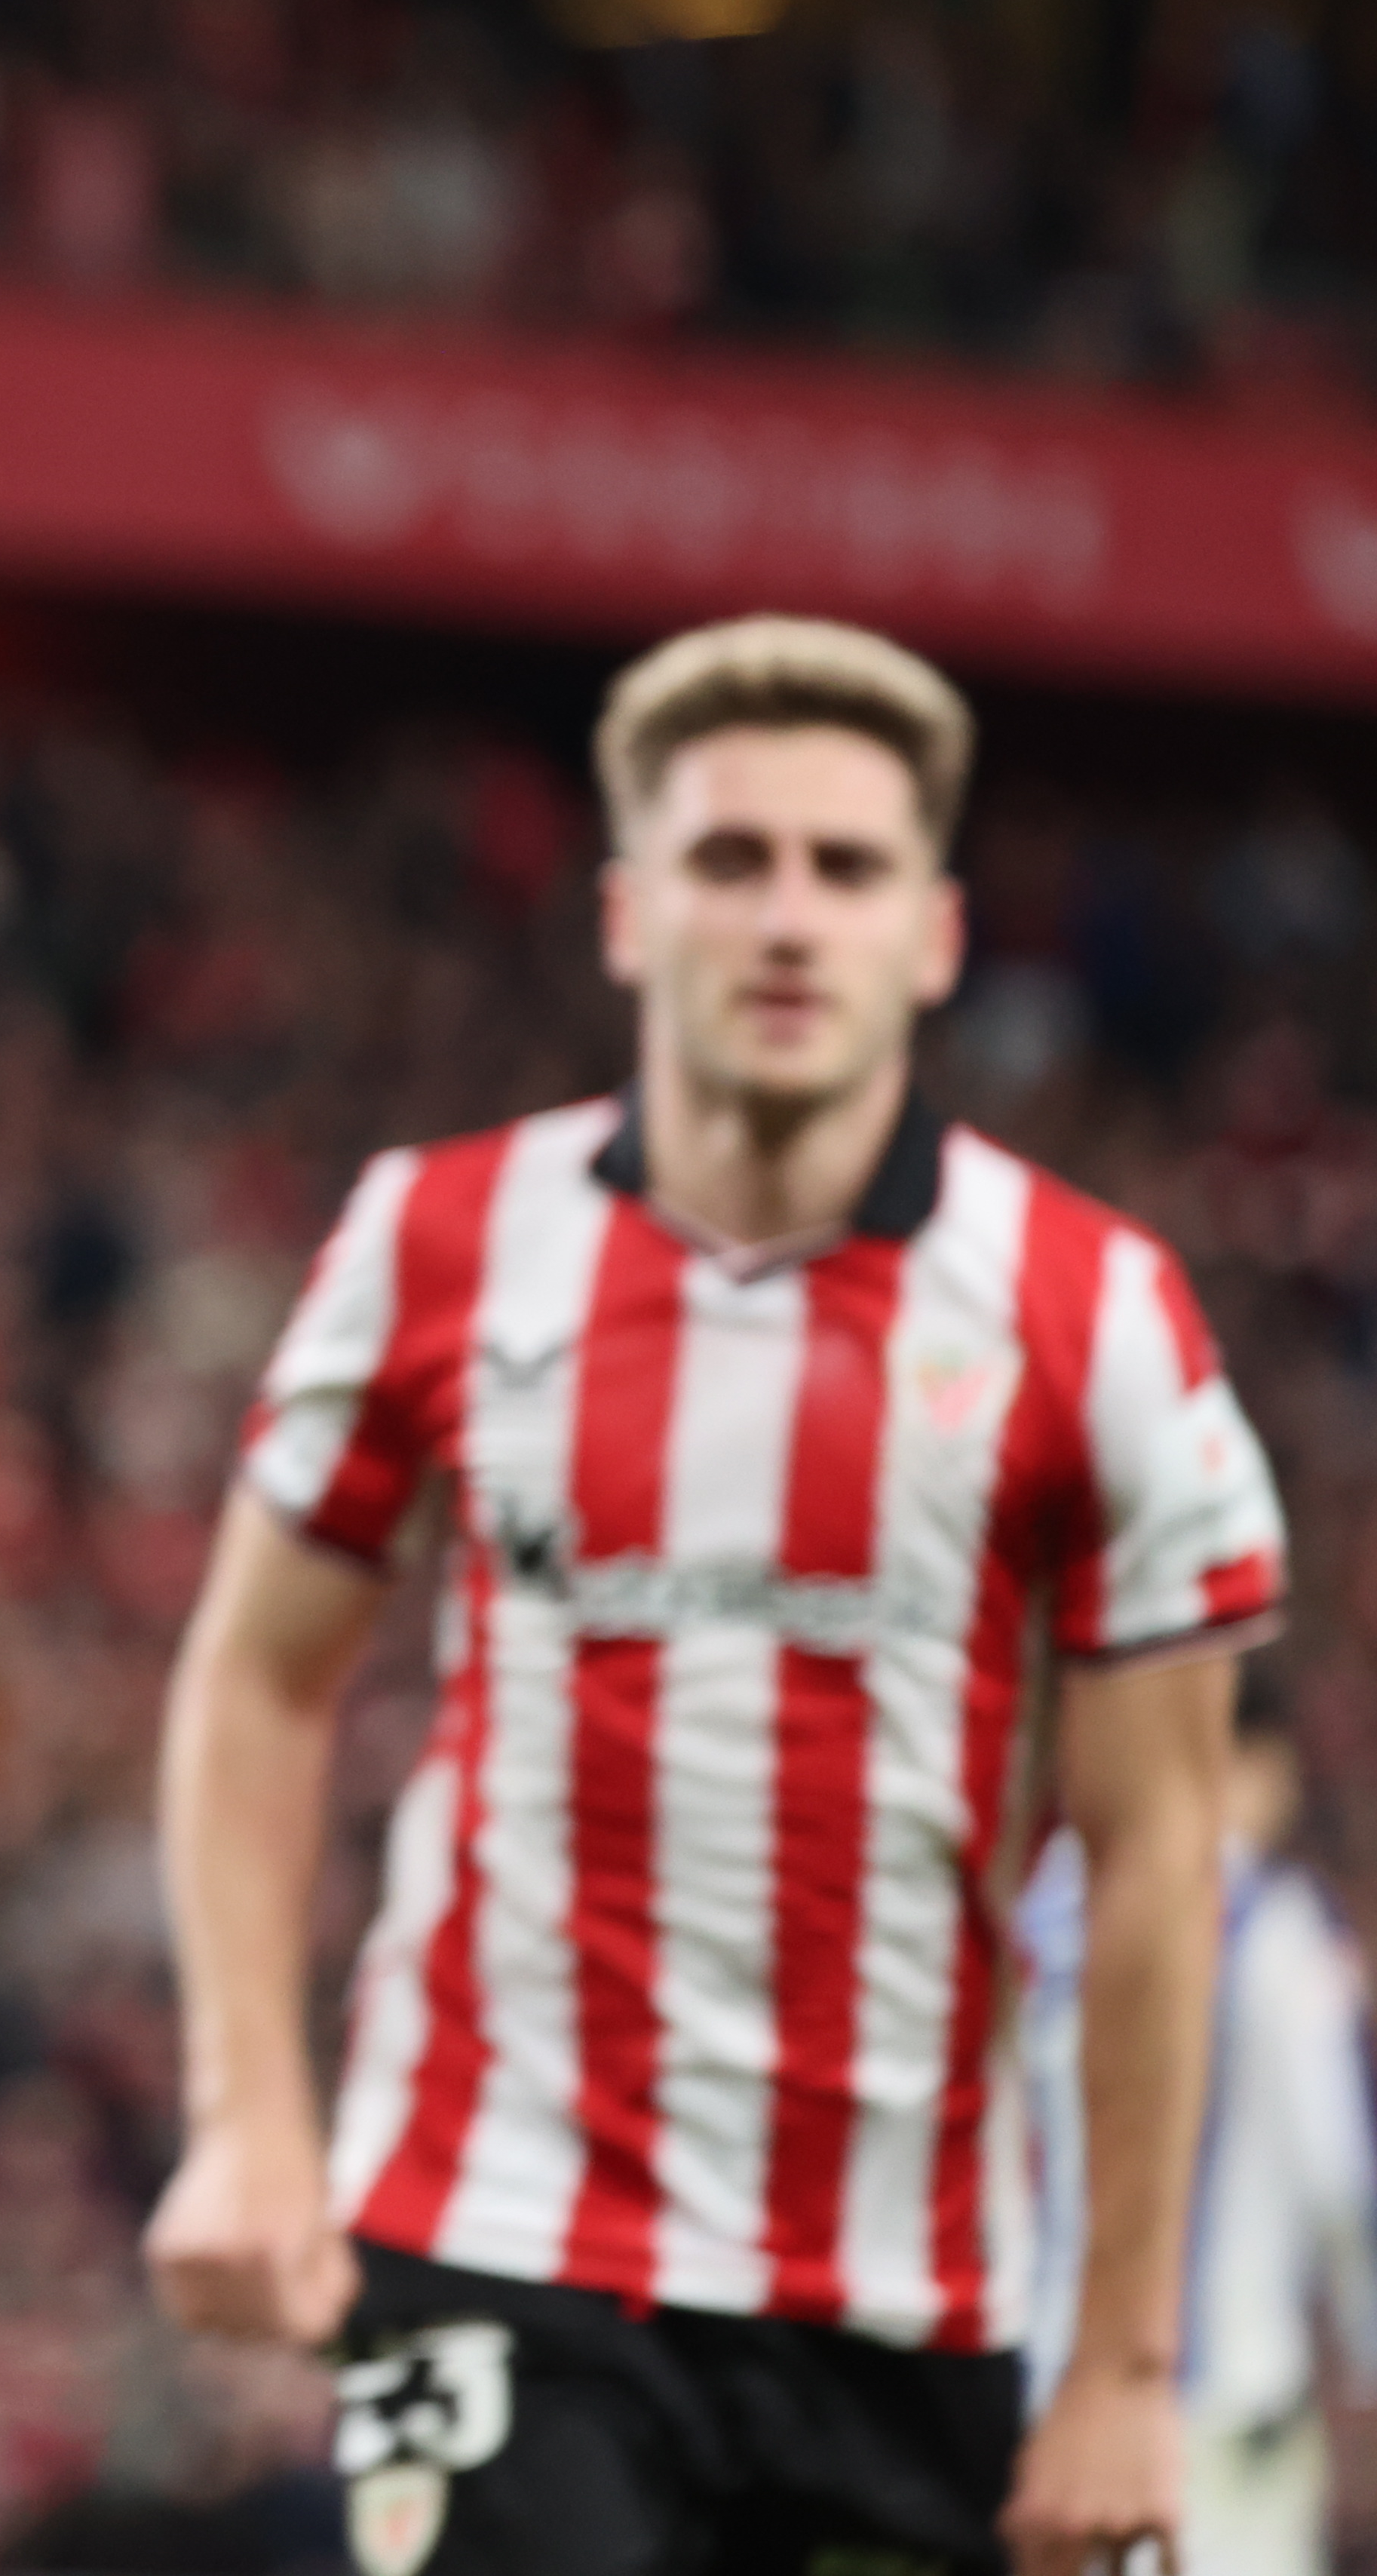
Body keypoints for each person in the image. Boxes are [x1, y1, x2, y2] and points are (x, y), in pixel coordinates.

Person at [140, 616, 1278, 2576]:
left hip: (910, 2291)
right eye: (730, 861)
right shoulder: (439, 1239)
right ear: (623, 913)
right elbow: (254, 1680)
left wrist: (1123, 2365)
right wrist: (250, 2110)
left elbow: (1160, 1851)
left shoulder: (1093, 1311)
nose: (786, 919)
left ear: (930, 937)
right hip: (493, 2223)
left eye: (845, 871)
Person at [1018, 1669, 1377, 2576]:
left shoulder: (1035, 1910)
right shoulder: (1274, 1930)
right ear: (1246, 1763)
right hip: (1222, 2404)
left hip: (1047, 2393)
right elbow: (1338, 2176)